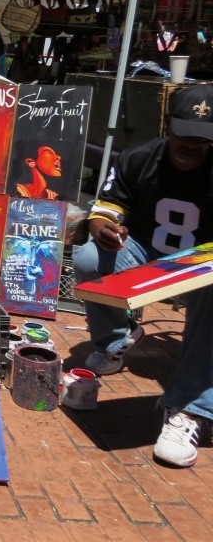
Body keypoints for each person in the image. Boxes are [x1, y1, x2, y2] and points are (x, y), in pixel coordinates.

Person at [74, 83, 213, 468]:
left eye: (202, 138)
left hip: (203, 262)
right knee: (88, 257)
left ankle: (189, 406)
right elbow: (106, 208)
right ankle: (116, 340)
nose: (191, 145)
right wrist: (103, 227)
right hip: (146, 252)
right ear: (168, 125)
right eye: (184, 134)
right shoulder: (138, 157)